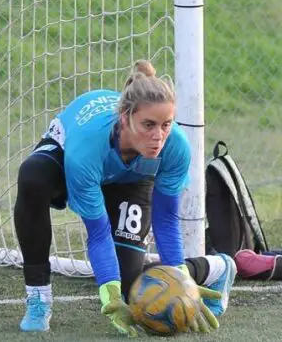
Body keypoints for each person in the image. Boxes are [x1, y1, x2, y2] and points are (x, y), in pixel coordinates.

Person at [13, 61, 237, 334]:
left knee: (135, 288)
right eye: (148, 125)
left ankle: (218, 266)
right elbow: (98, 233)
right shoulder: (86, 150)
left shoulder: (175, 146)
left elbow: (165, 222)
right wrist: (111, 296)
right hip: (73, 154)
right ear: (125, 118)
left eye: (166, 124)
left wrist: (180, 283)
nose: (158, 136)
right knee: (33, 178)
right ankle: (39, 298)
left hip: (132, 179)